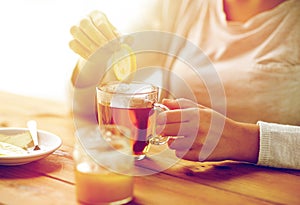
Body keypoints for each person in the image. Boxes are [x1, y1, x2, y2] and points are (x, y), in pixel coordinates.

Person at [69, 0, 300, 170]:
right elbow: (98, 99)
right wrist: (93, 61)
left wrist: (246, 140)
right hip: (182, 183)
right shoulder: (180, 5)